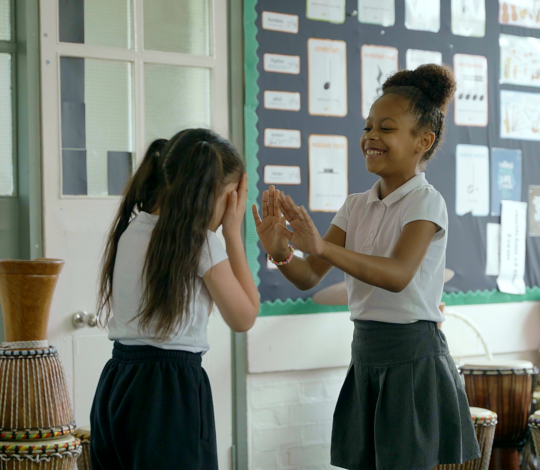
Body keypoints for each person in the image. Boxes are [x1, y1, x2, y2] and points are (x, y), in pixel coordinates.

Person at [252, 64, 480, 470]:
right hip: (366, 353)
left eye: (386, 128)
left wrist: (320, 245)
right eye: (367, 126)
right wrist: (280, 251)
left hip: (412, 359)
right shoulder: (355, 204)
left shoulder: (426, 203)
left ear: (422, 141)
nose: (371, 136)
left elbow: (396, 275)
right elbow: (307, 275)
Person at [91, 128, 259, 470]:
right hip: (170, 391)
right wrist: (232, 232)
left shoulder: (131, 229)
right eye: (232, 195)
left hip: (118, 380)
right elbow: (245, 316)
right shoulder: (200, 242)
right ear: (219, 194)